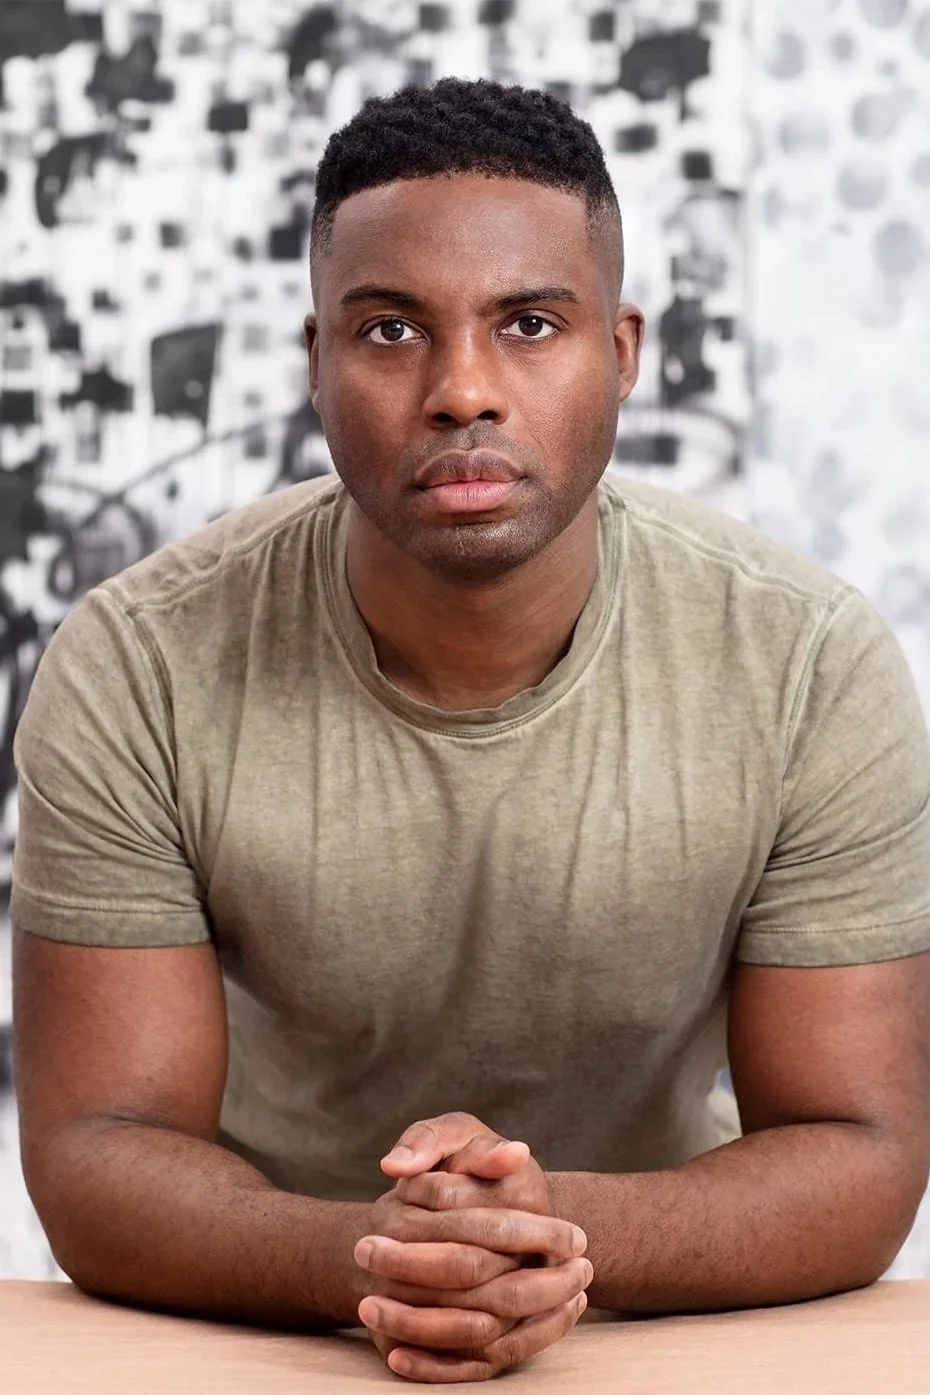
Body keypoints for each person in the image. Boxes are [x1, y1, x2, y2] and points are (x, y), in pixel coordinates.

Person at [10, 77, 930, 1386]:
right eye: (389, 331)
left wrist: (535, 1231)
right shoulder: (135, 663)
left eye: (528, 323)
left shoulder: (805, 662)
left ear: (620, 350)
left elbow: (858, 1150)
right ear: (313, 358)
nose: (460, 390)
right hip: (260, 1331)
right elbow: (100, 1143)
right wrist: (367, 1257)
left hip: (668, 1330)